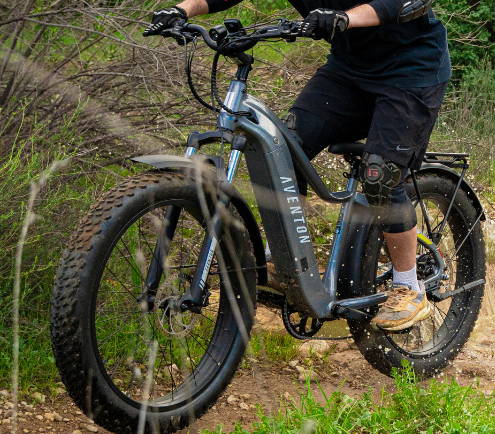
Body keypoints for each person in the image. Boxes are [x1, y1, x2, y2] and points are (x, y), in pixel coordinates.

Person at [144, 0, 449, 331]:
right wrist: (182, 10)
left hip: (411, 73)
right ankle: (287, 262)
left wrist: (344, 17)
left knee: (380, 176)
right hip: (348, 72)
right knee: (284, 149)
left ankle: (408, 285)